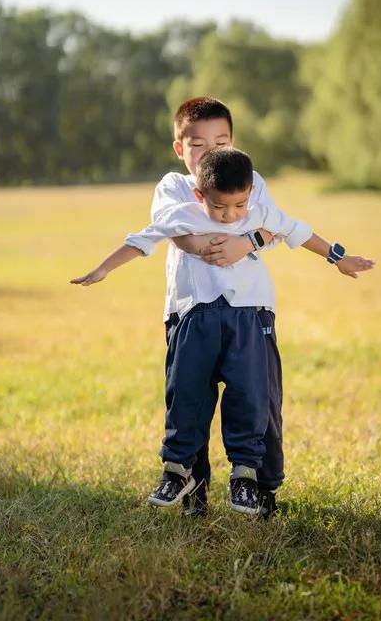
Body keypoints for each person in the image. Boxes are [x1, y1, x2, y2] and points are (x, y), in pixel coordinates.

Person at [147, 97, 374, 518]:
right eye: (198, 144)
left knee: (259, 398)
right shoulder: (173, 186)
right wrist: (213, 246)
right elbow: (175, 233)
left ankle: (262, 489)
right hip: (188, 310)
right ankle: (191, 490)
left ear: (233, 141)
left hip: (252, 310)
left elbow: (275, 225)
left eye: (221, 140)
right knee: (189, 397)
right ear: (180, 148)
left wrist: (245, 243)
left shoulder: (248, 177)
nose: (210, 151)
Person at [71, 147, 315, 514]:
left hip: (246, 318)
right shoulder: (184, 211)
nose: (231, 216)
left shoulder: (258, 212)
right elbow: (142, 239)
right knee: (185, 395)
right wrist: (103, 269)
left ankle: (246, 476)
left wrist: (340, 258)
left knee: (250, 398)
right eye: (220, 209)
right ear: (200, 196)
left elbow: (298, 231)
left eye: (239, 206)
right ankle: (176, 471)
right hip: (197, 317)